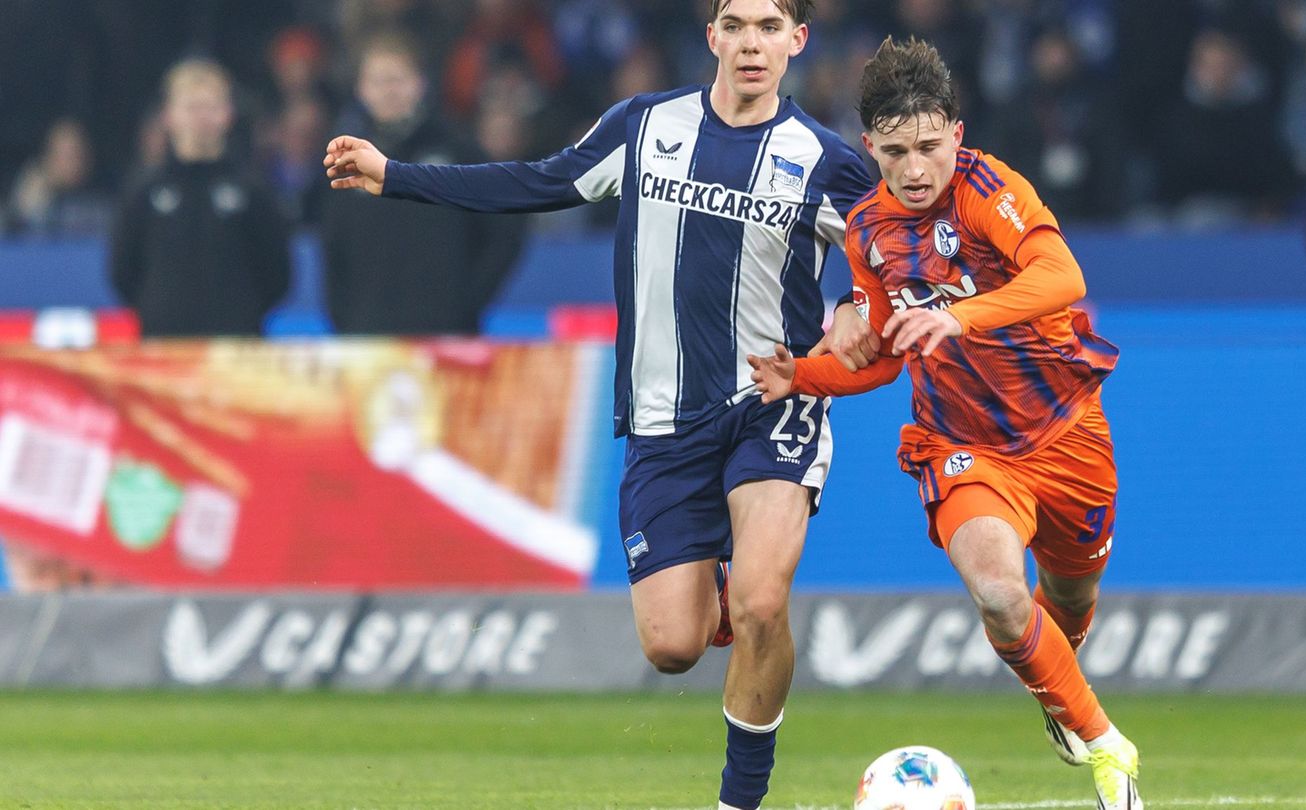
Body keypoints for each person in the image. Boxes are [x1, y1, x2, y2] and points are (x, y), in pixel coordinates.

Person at [323, 2, 875, 808]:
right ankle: (721, 600)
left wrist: (861, 301)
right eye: (735, 23)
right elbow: (538, 181)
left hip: (771, 401)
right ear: (711, 35)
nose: (751, 42)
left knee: (762, 600)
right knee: (673, 647)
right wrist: (396, 176)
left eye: (768, 25)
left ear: (798, 40)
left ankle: (739, 798)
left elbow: (891, 247)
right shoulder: (644, 126)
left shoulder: (827, 161)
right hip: (661, 419)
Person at [747, 37, 1144, 810]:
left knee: (1067, 600)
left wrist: (957, 318)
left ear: (957, 135)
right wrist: (802, 373)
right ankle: (1108, 748)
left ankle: (1060, 692)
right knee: (999, 592)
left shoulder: (990, 188)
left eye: (930, 146)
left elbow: (1063, 275)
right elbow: (885, 357)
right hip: (961, 444)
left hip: (1066, 431)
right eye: (896, 151)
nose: (916, 167)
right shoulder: (866, 232)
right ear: (870, 147)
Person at [321, 32, 526, 334]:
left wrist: (466, 304)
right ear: (361, 90)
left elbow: (507, 229)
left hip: (447, 338)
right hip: (368, 342)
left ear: (420, 83)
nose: (389, 91)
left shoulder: (459, 151)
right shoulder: (345, 161)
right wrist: (346, 320)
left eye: (398, 79)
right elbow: (333, 253)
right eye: (379, 81)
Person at [109, 59, 291, 337]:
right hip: (163, 345)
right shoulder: (144, 190)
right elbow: (123, 271)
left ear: (227, 114)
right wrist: (158, 309)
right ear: (168, 116)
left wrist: (242, 312)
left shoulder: (252, 189)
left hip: (235, 346)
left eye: (210, 106)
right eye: (191, 107)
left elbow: (277, 272)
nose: (200, 117)